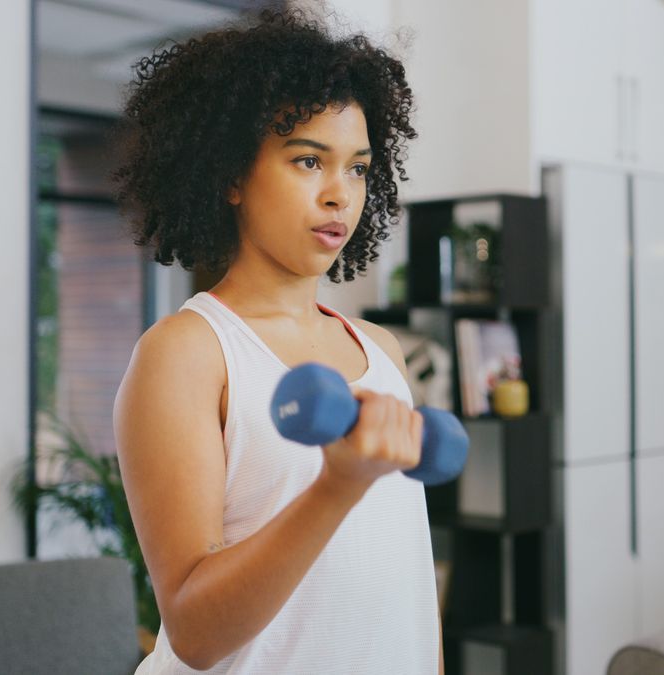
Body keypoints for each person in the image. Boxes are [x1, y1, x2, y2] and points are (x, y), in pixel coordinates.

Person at [111, 7, 442, 673]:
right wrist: (336, 485)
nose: (338, 195)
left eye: (357, 168)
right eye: (307, 160)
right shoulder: (187, 354)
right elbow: (196, 631)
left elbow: (404, 582)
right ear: (231, 175)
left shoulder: (380, 348)